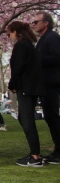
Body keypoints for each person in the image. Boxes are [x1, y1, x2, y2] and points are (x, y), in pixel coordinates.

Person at [7, 21, 46, 167]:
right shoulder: (28, 44)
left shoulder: (21, 45)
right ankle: (34, 153)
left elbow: (18, 66)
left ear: (15, 32)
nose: (9, 36)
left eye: (9, 33)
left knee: (27, 119)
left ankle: (35, 156)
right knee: (24, 117)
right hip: (31, 86)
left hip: (26, 87)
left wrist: (13, 84)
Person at [30, 11, 60, 165]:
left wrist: (37, 59)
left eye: (36, 22)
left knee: (52, 116)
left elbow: (57, 57)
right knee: (50, 117)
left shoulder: (52, 38)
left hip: (52, 83)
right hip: (46, 83)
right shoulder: (44, 39)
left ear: (46, 23)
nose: (33, 25)